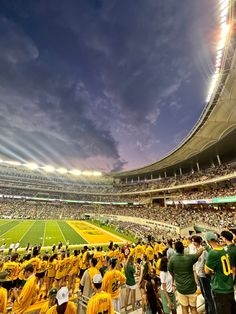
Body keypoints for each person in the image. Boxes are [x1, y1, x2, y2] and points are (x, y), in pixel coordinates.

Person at [205, 231, 236, 314]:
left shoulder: (213, 253)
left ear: (207, 241)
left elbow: (206, 271)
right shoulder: (225, 250)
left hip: (220, 288)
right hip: (229, 286)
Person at [168, 241, 204, 314]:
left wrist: (175, 278)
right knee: (193, 309)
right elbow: (198, 254)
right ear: (183, 249)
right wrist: (202, 248)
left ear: (175, 249)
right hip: (191, 288)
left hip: (181, 288)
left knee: (184, 308)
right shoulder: (189, 258)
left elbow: (171, 271)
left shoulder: (172, 259)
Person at [192, 236, 216, 314]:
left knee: (208, 295)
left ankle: (212, 311)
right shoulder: (194, 250)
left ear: (198, 242)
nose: (193, 243)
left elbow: (206, 262)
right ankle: (207, 309)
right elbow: (195, 265)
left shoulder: (204, 250)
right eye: (192, 241)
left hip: (204, 275)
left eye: (194, 241)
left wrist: (205, 272)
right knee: (204, 294)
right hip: (199, 275)